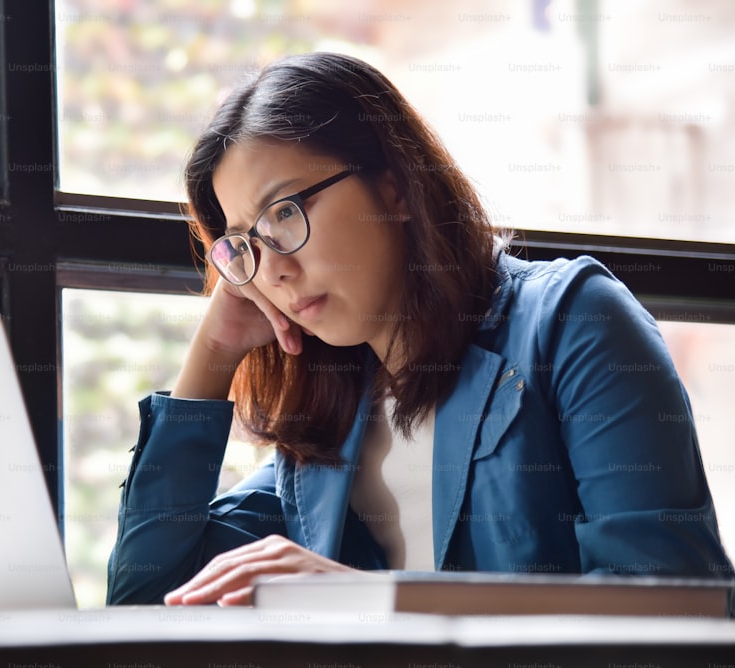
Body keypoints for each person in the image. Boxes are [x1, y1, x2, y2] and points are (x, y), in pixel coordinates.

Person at [105, 51, 733, 607]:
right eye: (245, 246)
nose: (274, 270)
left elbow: (674, 605)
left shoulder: (573, 322)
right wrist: (213, 352)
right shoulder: (328, 431)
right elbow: (146, 598)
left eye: (285, 212)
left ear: (394, 186)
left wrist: (374, 600)